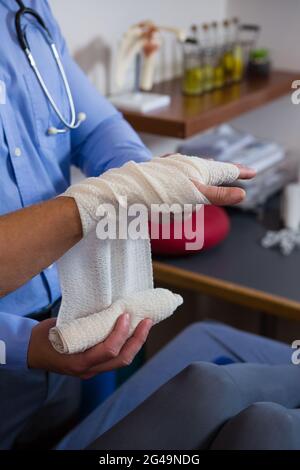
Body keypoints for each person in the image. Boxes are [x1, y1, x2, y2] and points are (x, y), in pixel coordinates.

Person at [0, 0, 256, 449]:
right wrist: (23, 345)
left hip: (70, 321)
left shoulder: (24, 10)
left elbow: (94, 124)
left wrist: (146, 178)